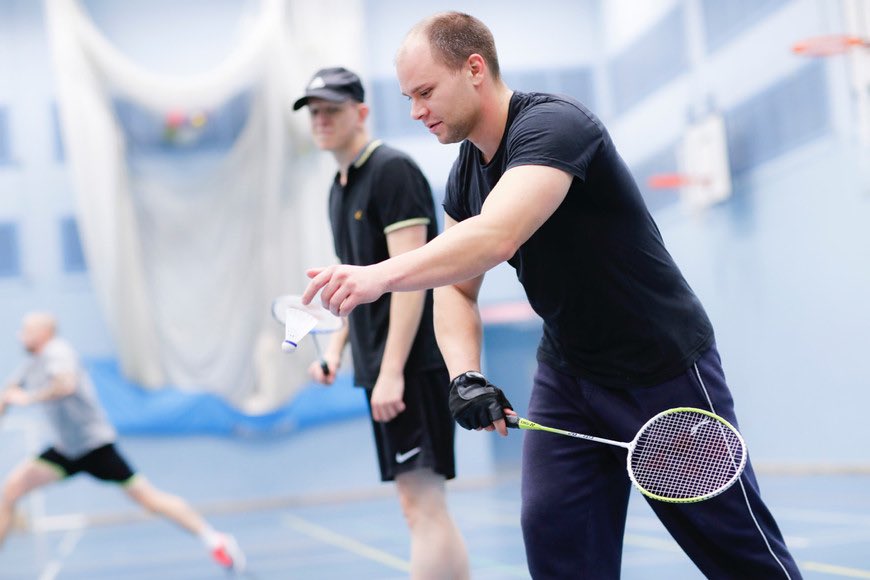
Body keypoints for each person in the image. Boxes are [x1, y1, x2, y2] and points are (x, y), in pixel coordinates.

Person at [301, 13, 802, 580]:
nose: (416, 111)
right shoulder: (464, 176)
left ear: (474, 70)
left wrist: (379, 276)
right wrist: (464, 374)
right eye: (408, 96)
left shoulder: (555, 126)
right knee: (554, 538)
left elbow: (497, 235)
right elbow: (455, 291)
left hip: (660, 369)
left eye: (425, 92)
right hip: (569, 374)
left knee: (739, 554)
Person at [292, 67, 469, 579]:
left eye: (332, 110)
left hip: (411, 365)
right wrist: (335, 353)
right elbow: (354, 283)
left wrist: (392, 371)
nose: (321, 120)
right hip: (381, 367)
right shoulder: (339, 187)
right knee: (418, 508)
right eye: (314, 112)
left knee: (424, 507)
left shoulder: (391, 172)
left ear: (361, 113)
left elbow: (410, 279)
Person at [0, 312, 245, 572]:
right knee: (9, 492)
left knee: (148, 498)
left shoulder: (58, 352)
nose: (20, 336)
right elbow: (8, 394)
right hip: (65, 451)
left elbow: (66, 385)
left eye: (26, 330)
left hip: (95, 447)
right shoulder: (32, 363)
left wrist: (29, 398)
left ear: (43, 333)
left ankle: (214, 538)